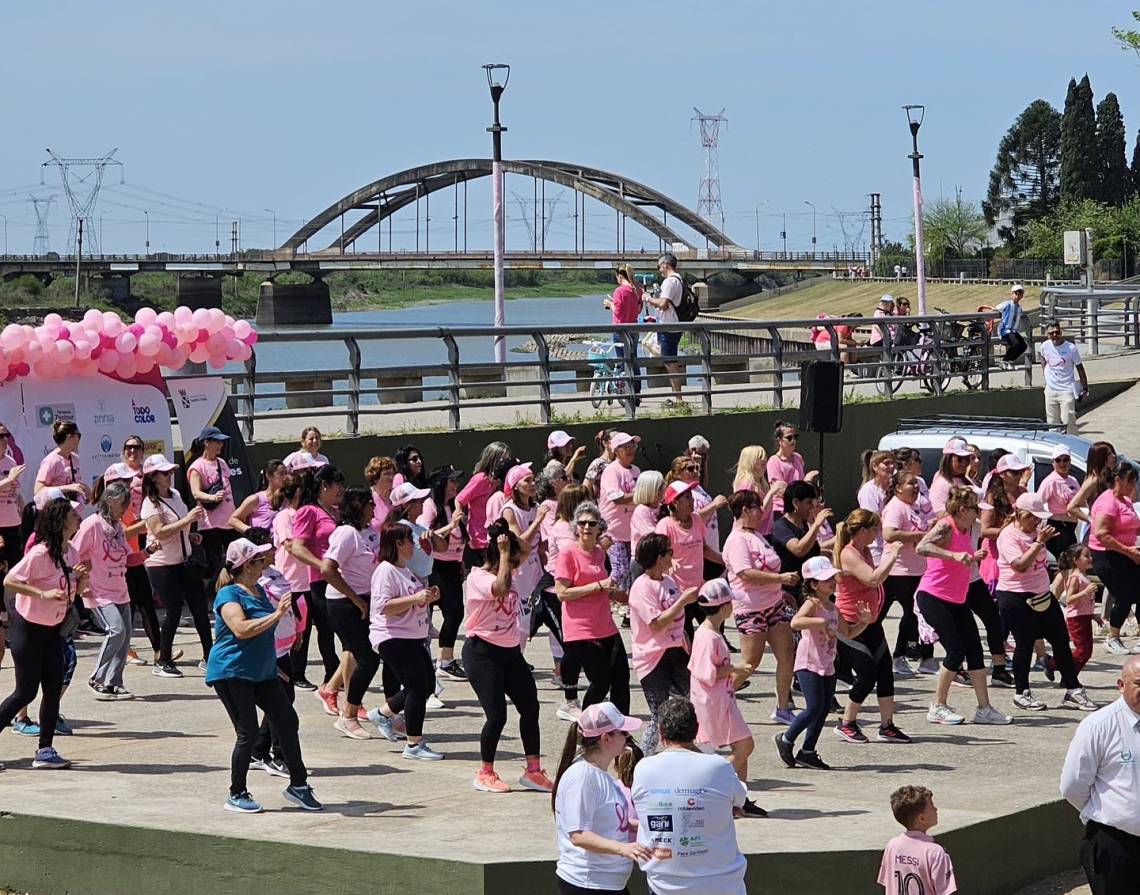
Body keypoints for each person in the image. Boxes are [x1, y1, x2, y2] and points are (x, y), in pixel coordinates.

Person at [206, 537, 322, 814]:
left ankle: (299, 785)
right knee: (247, 732)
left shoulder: (258, 589)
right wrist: (278, 613)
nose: (267, 559)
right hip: (232, 672)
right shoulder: (229, 595)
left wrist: (277, 666)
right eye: (260, 558)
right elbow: (241, 629)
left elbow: (263, 638)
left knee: (287, 720)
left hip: (263, 672)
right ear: (249, 565)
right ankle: (237, 793)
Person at [463, 523, 553, 793]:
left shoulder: (510, 566)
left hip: (510, 651)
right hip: (482, 653)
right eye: (512, 561)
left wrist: (506, 535)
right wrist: (503, 554)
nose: (516, 566)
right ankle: (485, 772)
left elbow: (526, 549)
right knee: (497, 715)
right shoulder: (477, 578)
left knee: (530, 707)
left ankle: (533, 771)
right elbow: (500, 588)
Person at [913, 487, 1012, 726]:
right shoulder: (946, 525)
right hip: (933, 596)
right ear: (961, 509)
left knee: (975, 650)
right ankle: (937, 706)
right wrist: (953, 556)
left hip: (956, 599)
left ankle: (984, 709)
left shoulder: (969, 528)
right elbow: (922, 547)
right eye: (974, 508)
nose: (978, 513)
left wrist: (971, 557)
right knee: (955, 650)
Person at [0, 498, 86, 770]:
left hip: (53, 631)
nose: (77, 517)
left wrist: (82, 578)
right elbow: (10, 580)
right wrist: (42, 593)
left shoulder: (70, 551)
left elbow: (76, 593)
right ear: (61, 520)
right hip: (28, 630)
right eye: (73, 514)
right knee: (25, 692)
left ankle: (45, 750)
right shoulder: (40, 553)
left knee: (52, 689)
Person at [631, 697, 748, 895]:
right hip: (722, 885)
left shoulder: (643, 768)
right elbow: (740, 801)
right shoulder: (719, 766)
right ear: (696, 730)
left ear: (660, 731)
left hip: (664, 886)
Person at [996, 493, 1096, 712]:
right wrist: (1039, 542)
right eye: (1032, 517)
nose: (1036, 522)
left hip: (1042, 594)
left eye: (1038, 518)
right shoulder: (1008, 536)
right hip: (1015, 596)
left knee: (1060, 639)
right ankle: (1022, 692)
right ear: (1019, 514)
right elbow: (1020, 565)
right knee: (1025, 644)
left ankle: (1072, 688)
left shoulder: (1037, 532)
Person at [777, 556, 871, 771]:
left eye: (832, 577)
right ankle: (786, 738)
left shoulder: (833, 607)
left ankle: (808, 751)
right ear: (813, 584)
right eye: (825, 578)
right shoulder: (813, 603)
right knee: (814, 707)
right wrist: (818, 622)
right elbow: (796, 622)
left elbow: (847, 633)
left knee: (822, 709)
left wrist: (863, 623)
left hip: (828, 664)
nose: (832, 581)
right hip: (809, 663)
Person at [1060, 655, 1140, 895]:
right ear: (1121, 685)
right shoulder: (1098, 726)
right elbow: (1073, 785)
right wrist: (1108, 812)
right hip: (1116, 844)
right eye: (1139, 683)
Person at [552, 701, 649, 895]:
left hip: (607, 884)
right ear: (606, 738)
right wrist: (624, 848)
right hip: (588, 884)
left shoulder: (601, 774)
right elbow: (578, 835)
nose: (628, 738)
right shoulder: (582, 777)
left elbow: (607, 819)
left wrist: (641, 825)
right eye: (624, 733)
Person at [833, 509, 910, 744]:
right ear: (862, 530)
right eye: (874, 528)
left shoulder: (864, 551)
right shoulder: (849, 554)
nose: (877, 533)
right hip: (850, 623)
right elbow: (873, 579)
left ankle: (887, 725)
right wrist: (893, 556)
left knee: (885, 669)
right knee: (868, 673)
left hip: (870, 621)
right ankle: (847, 723)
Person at [689, 579, 764, 817]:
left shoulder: (712, 632)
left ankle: (738, 798)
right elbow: (705, 673)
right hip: (711, 701)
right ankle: (711, 786)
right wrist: (735, 669)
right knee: (744, 745)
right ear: (723, 607)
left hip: (721, 698)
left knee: (742, 744)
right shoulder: (707, 636)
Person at [722, 489, 798, 724]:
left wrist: (781, 591)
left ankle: (783, 707)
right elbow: (746, 573)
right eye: (757, 507)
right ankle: (719, 700)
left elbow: (768, 566)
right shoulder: (736, 540)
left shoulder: (756, 535)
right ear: (745, 510)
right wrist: (781, 580)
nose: (762, 512)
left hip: (773, 605)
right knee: (750, 662)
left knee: (787, 655)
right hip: (750, 609)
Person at [368, 521, 443, 759]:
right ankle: (413, 744)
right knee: (417, 688)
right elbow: (383, 607)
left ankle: (382, 713)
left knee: (427, 684)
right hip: (393, 636)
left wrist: (427, 597)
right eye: (410, 541)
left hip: (411, 635)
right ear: (398, 544)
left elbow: (411, 599)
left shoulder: (405, 570)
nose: (414, 545)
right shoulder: (385, 570)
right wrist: (416, 598)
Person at [140, 453, 212, 677]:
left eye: (170, 471)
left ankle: (210, 656)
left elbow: (178, 526)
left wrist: (190, 535)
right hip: (161, 565)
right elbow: (159, 532)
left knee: (200, 608)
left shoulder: (176, 494)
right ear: (152, 477)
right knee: (172, 610)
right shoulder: (149, 504)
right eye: (164, 473)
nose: (169, 475)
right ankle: (163, 659)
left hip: (184, 561)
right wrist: (188, 520)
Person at [556, 500, 630, 713]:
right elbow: (562, 593)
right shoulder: (568, 554)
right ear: (576, 528)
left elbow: (606, 588)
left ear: (600, 528)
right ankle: (587, 730)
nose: (587, 527)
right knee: (601, 681)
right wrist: (598, 585)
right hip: (581, 631)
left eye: (592, 523)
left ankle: (620, 730)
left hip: (606, 626)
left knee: (621, 678)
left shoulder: (600, 554)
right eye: (582, 523)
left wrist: (620, 595)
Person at [628, 533, 696, 754]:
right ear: (658, 558)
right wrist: (683, 600)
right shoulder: (641, 587)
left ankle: (685, 750)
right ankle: (642, 759)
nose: (672, 556)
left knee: (691, 701)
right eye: (669, 552)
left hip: (675, 652)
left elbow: (676, 620)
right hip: (652, 657)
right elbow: (657, 623)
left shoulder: (668, 581)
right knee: (660, 713)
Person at [319, 486, 379, 739]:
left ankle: (346, 703)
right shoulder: (346, 534)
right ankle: (348, 715)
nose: (373, 508)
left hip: (366, 600)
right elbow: (327, 569)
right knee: (368, 659)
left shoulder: (370, 532)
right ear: (358, 506)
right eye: (369, 504)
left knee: (368, 654)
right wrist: (355, 599)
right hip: (344, 603)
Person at [73, 481, 135, 700]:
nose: (126, 507)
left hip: (120, 589)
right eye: (123, 502)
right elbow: (74, 553)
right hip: (98, 592)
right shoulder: (92, 524)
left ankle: (113, 682)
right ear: (109, 501)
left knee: (124, 637)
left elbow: (129, 557)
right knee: (116, 631)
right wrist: (82, 577)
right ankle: (97, 678)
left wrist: (148, 552)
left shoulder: (118, 527)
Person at [288, 465, 345, 695]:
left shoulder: (333, 511)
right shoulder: (308, 511)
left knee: (334, 629)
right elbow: (297, 547)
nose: (340, 489)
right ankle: (332, 674)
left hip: (338, 578)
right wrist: (321, 564)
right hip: (320, 580)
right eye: (337, 484)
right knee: (327, 629)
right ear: (324, 486)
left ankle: (335, 674)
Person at [880, 470, 932, 676]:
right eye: (911, 483)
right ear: (898, 488)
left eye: (917, 483)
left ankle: (908, 656)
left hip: (916, 570)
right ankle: (891, 656)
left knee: (914, 615)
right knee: (879, 616)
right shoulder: (896, 507)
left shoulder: (914, 507)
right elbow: (889, 534)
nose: (916, 487)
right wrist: (918, 535)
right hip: (896, 572)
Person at [420, 465, 468, 680]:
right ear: (441, 484)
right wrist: (451, 525)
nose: (456, 486)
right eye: (452, 481)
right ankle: (443, 660)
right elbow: (424, 534)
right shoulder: (430, 506)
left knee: (456, 612)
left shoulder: (452, 505)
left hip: (453, 566)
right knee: (450, 611)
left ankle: (445, 659)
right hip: (436, 567)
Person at [1089, 463, 1140, 656]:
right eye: (1130, 482)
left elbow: (1131, 525)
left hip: (1126, 552)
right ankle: (1113, 637)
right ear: (1117, 480)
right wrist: (1127, 551)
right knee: (1125, 595)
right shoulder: (1107, 502)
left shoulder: (1125, 500)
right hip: (1107, 555)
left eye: (1134, 482)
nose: (1132, 487)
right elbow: (1102, 534)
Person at [503, 462, 551, 647]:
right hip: (520, 571)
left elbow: (540, 540)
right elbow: (520, 542)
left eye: (533, 480)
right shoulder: (510, 510)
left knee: (549, 611)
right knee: (522, 623)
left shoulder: (535, 506)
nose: (533, 484)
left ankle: (559, 663)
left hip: (536, 569)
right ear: (516, 485)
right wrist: (537, 520)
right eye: (527, 480)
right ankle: (516, 658)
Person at [877, 786, 958, 895]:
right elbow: (946, 892)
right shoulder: (936, 853)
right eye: (932, 806)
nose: (936, 809)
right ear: (922, 818)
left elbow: (888, 883)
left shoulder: (892, 846)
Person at [456, 441, 512, 567]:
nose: (506, 462)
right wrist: (459, 520)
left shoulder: (503, 480)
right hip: (480, 539)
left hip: (499, 537)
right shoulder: (480, 479)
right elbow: (460, 499)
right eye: (504, 459)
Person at [771, 480, 831, 596]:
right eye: (808, 502)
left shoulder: (803, 524)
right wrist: (817, 524)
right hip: (791, 593)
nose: (812, 506)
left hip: (810, 590)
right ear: (795, 503)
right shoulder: (781, 526)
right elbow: (798, 550)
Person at [598, 433, 640, 591]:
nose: (630, 450)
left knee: (633, 572)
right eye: (625, 447)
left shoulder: (636, 470)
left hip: (632, 533)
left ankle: (628, 610)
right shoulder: (612, 471)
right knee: (620, 571)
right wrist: (640, 495)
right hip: (613, 533)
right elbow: (616, 498)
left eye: (632, 446)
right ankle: (613, 602)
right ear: (616, 451)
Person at [643, 253, 685, 405]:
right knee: (670, 362)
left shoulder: (669, 282)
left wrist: (648, 298)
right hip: (674, 325)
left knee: (671, 364)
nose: (659, 269)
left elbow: (663, 304)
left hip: (669, 328)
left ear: (666, 264)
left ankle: (678, 399)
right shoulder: (679, 279)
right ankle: (677, 397)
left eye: (659, 266)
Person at [1053, 545, 1101, 675]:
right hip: (1076, 618)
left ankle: (1070, 675)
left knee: (1087, 651)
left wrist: (1093, 615)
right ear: (1075, 559)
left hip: (1084, 616)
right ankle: (1054, 664)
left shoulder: (1084, 575)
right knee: (1081, 651)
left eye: (1090, 555)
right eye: (1086, 556)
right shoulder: (1075, 577)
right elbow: (1069, 599)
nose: (1090, 558)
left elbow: (1084, 603)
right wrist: (1085, 592)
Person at [604, 264, 644, 401]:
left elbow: (619, 312)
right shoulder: (637, 290)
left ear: (620, 276)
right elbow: (638, 310)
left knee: (622, 362)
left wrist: (610, 305)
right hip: (634, 329)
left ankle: (625, 392)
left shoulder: (619, 291)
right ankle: (636, 393)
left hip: (620, 331)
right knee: (634, 361)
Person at [1040, 321, 1088, 433]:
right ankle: (1055, 447)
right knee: (1052, 424)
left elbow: (1080, 368)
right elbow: (1042, 359)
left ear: (1061, 332)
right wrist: (1046, 374)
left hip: (1066, 390)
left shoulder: (1071, 348)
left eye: (1057, 332)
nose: (1055, 335)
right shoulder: (1045, 346)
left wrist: (1085, 388)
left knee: (1069, 422)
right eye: (1051, 333)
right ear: (1048, 335)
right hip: (1050, 391)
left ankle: (1074, 445)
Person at [1037, 444, 1084, 558]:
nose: (1062, 463)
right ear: (1053, 463)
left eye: (1065, 460)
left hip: (1070, 527)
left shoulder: (1072, 480)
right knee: (1066, 563)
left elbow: (1081, 500)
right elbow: (1037, 502)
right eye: (1058, 460)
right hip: (1058, 527)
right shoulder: (1050, 481)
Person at [768, 422, 818, 515]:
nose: (793, 441)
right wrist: (806, 484)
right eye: (789, 438)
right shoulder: (774, 461)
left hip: (799, 508)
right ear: (779, 440)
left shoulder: (798, 457)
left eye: (795, 437)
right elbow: (781, 491)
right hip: (781, 510)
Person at [34, 420, 87, 506]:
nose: (79, 440)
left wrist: (84, 489)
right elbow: (38, 490)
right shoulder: (51, 460)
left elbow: (72, 482)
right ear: (69, 437)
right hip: (56, 513)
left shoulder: (75, 459)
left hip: (73, 512)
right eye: (78, 436)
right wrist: (66, 488)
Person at [858, 450, 897, 563]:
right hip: (878, 549)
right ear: (875, 466)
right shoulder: (868, 491)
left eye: (893, 463)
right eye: (887, 463)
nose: (891, 466)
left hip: (894, 547)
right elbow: (874, 521)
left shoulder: (894, 487)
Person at [229, 460, 286, 535]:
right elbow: (233, 520)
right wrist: (253, 532)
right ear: (269, 476)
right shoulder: (256, 499)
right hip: (261, 544)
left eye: (286, 473)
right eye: (281, 474)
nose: (285, 477)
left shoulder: (287, 498)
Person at [928, 437, 972, 515]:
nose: (964, 463)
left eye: (967, 458)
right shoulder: (941, 483)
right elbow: (939, 513)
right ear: (948, 459)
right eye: (960, 459)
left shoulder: (964, 479)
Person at [996, 284, 1028, 367]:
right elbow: (996, 309)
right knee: (1015, 344)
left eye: (1020, 294)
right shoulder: (1007, 304)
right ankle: (1004, 361)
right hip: (1005, 330)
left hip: (1013, 331)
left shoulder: (1019, 308)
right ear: (1012, 294)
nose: (1017, 296)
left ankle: (1010, 360)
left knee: (1023, 346)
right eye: (1016, 294)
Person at [365, 455, 397, 532]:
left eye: (392, 474)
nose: (391, 477)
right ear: (375, 478)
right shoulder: (368, 499)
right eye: (387, 474)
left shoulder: (395, 497)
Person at [584, 430, 616, 495]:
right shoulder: (598, 464)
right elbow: (585, 488)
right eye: (615, 440)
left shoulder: (620, 462)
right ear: (605, 443)